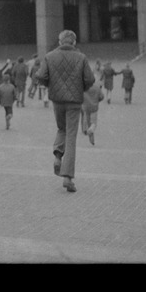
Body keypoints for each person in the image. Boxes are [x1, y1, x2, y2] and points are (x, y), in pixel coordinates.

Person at [34, 30, 95, 193]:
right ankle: (67, 176)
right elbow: (90, 79)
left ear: (60, 42)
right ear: (74, 42)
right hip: (74, 101)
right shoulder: (81, 57)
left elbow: (40, 76)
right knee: (71, 135)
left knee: (61, 129)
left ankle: (57, 156)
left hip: (57, 100)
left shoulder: (49, 56)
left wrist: (50, 86)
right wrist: (82, 87)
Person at [80, 80, 104, 146]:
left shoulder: (84, 88)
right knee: (94, 123)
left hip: (85, 107)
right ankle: (90, 130)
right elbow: (102, 97)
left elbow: (80, 96)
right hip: (94, 107)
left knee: (87, 121)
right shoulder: (97, 88)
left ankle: (91, 139)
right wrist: (97, 100)